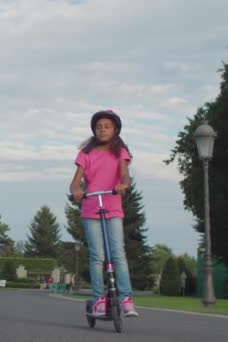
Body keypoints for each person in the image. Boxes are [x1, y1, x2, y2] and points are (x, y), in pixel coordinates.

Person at [69, 109, 139, 318]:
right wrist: (77, 191)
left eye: (107, 127)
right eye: (99, 127)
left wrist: (122, 185)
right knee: (97, 255)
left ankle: (126, 298)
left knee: (117, 253)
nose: (102, 130)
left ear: (115, 129)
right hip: (91, 208)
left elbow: (125, 176)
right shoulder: (86, 154)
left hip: (113, 207)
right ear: (94, 130)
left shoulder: (120, 153)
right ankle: (99, 298)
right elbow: (75, 182)